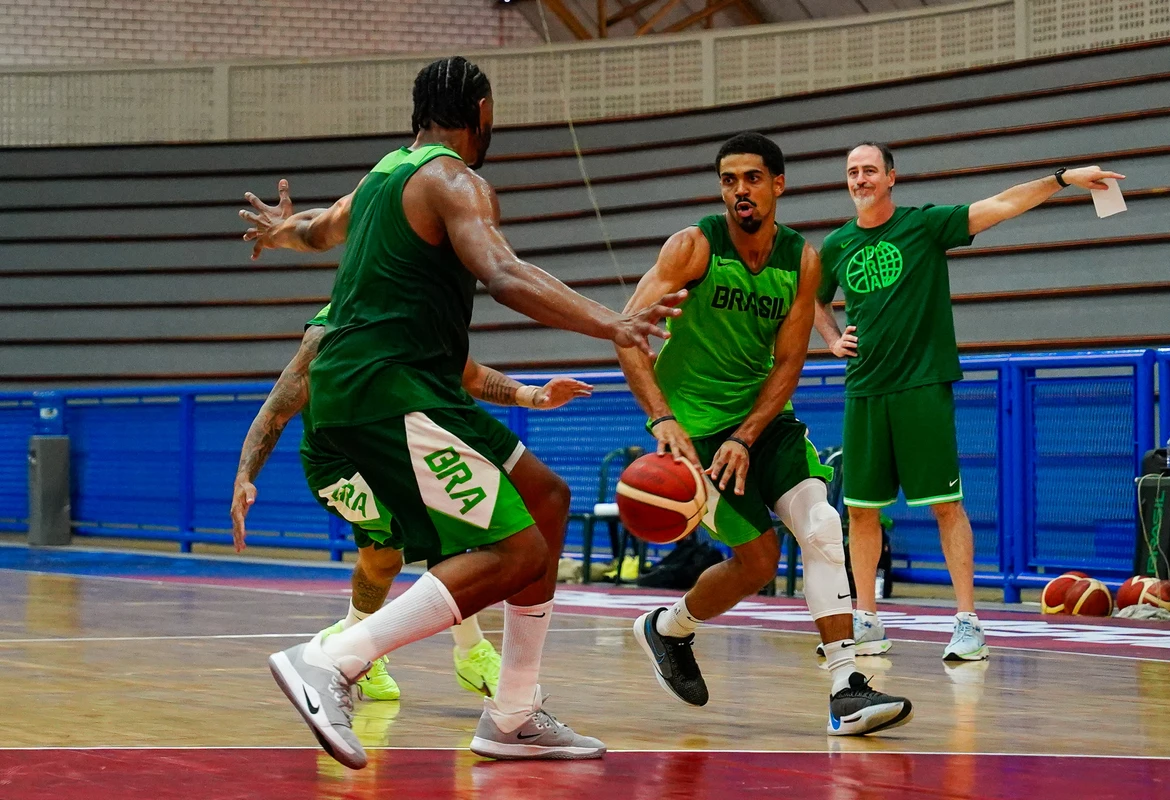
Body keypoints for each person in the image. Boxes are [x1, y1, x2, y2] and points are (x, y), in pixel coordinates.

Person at [238, 55, 683, 768]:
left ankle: (512, 715)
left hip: (416, 383)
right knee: (518, 552)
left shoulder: (382, 176)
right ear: (481, 111)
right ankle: (334, 660)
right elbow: (503, 274)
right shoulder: (454, 180)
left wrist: (279, 231)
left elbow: (321, 229)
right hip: (390, 385)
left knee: (547, 499)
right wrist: (615, 325)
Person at [615, 132, 913, 736]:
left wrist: (748, 435)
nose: (740, 190)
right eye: (729, 180)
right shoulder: (693, 247)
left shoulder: (801, 260)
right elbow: (627, 333)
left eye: (752, 178)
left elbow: (787, 363)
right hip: (693, 433)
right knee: (757, 563)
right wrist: (662, 419)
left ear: (779, 184)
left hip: (763, 421)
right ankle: (668, 627)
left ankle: (846, 686)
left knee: (824, 527)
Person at [815, 141, 1124, 660]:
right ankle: (866, 619)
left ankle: (967, 622)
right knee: (860, 512)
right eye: (852, 172)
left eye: (870, 170)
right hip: (864, 389)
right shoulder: (837, 245)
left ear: (892, 177)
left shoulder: (926, 225)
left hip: (922, 386)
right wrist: (829, 337)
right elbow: (814, 299)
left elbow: (1001, 205)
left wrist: (1063, 177)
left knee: (945, 505)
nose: (860, 179)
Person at [230, 303, 593, 703]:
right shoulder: (333, 327)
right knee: (413, 545)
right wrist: (246, 475)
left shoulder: (428, 306)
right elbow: (280, 404)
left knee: (385, 560)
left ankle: (352, 638)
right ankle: (468, 653)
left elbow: (468, 374)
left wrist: (532, 395)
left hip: (408, 438)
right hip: (342, 463)